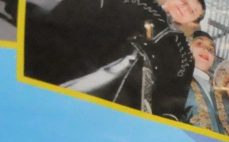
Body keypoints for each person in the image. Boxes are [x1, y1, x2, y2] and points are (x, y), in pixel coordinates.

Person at [22, 0, 202, 119]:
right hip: (76, 64)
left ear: (193, 21)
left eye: (192, 10)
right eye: (184, 1)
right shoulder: (137, 2)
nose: (185, 8)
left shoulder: (184, 56)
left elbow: (173, 98)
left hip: (121, 106)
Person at [183, 30, 229, 135]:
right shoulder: (176, 79)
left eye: (211, 49)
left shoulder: (222, 92)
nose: (206, 50)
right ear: (187, 47)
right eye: (199, 43)